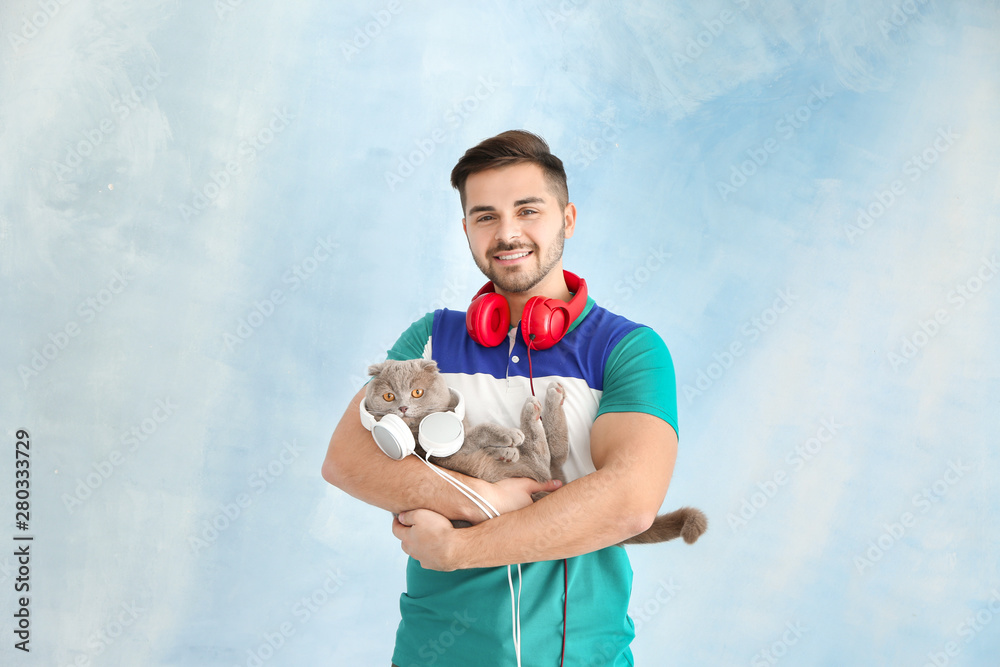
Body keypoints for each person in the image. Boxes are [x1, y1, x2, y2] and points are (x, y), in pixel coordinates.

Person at [322, 130, 678, 666]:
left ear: (568, 218)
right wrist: (481, 498)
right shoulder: (429, 340)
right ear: (466, 229)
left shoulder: (628, 349)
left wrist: (459, 549)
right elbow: (346, 460)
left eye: (528, 210)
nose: (507, 233)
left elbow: (629, 502)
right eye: (485, 216)